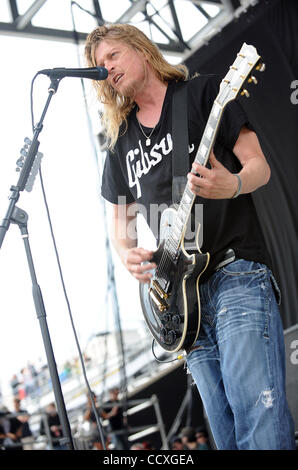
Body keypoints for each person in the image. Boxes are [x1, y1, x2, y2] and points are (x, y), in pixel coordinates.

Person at [84, 23, 295, 450]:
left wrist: (230, 185)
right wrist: (128, 254)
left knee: (257, 411)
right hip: (179, 305)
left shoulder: (205, 95)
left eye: (112, 57)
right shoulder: (119, 144)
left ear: (141, 49)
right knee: (225, 430)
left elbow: (259, 167)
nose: (107, 70)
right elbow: (120, 227)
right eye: (98, 66)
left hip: (234, 271)